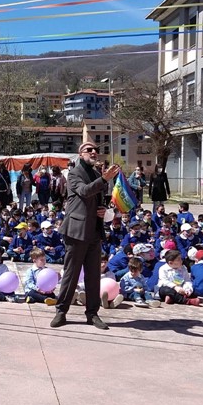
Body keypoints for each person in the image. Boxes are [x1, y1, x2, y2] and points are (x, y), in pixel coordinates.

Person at [50, 141, 120, 330]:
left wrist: (103, 210)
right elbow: (83, 191)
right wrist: (104, 179)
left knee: (93, 276)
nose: (94, 152)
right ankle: (61, 311)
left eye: (96, 150)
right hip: (76, 231)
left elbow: (97, 200)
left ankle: (92, 313)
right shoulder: (74, 173)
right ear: (80, 154)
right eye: (89, 150)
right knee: (71, 274)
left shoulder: (97, 174)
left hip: (94, 231)